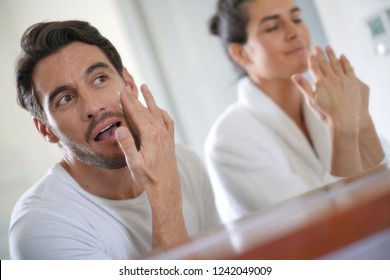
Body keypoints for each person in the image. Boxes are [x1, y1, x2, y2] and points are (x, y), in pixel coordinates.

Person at [9, 20, 220, 259]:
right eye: (65, 99)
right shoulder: (42, 226)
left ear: (128, 82)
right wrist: (165, 194)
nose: (93, 106)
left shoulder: (185, 163)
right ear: (46, 130)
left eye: (99, 79)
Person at [205, 0, 387, 222]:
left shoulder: (327, 105)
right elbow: (319, 227)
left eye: (297, 19)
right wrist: (344, 130)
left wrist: (362, 118)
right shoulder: (229, 142)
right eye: (273, 27)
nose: (294, 32)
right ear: (241, 54)